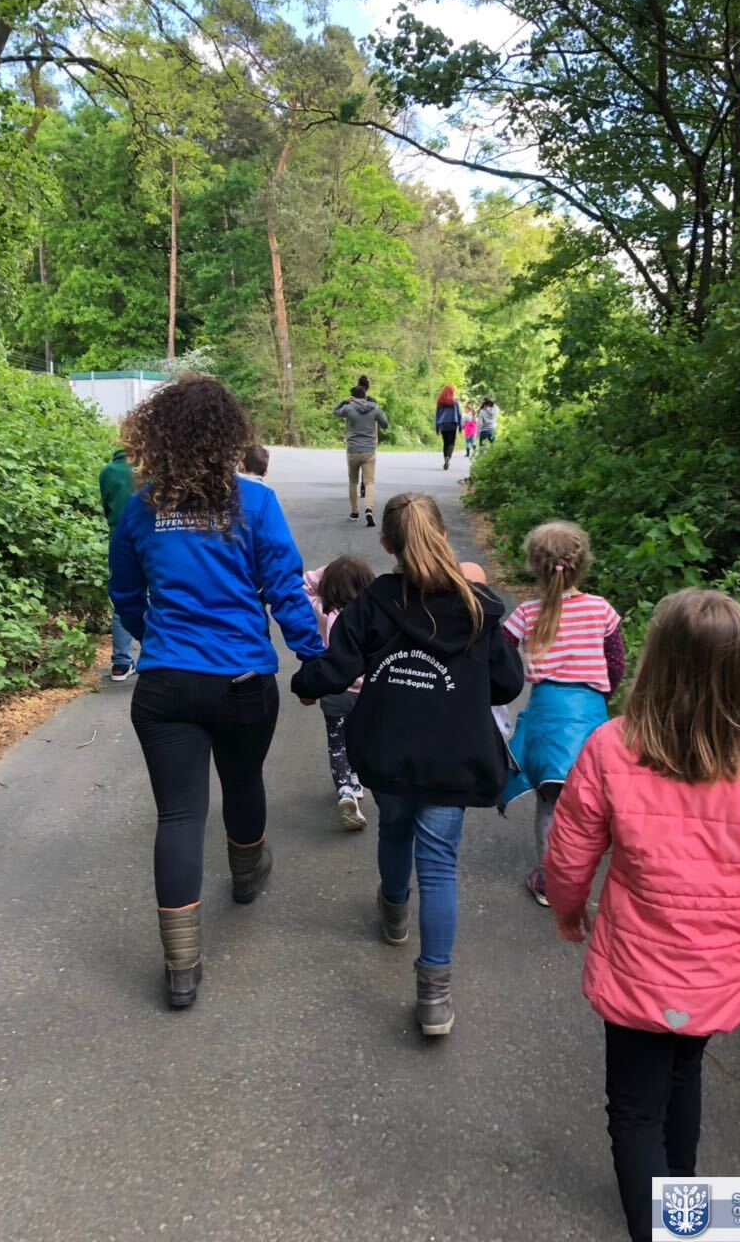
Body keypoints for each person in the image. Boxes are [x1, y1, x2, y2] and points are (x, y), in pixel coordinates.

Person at [544, 588, 740, 1242]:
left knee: (635, 1112)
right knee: (684, 1072)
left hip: (638, 967)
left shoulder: (613, 746)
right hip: (716, 968)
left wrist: (569, 910)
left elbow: (570, 851)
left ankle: (664, 1224)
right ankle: (681, 1206)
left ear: (656, 662)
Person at [110, 374, 324, 1010]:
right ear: (229, 434)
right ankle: (246, 875)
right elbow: (285, 588)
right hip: (241, 681)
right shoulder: (254, 502)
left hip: (165, 686)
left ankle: (181, 967)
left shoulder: (141, 509)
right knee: (243, 779)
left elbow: (126, 594)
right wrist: (314, 660)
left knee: (178, 815)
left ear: (159, 435)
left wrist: (157, 642)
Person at [292, 493, 524, 1036]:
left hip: (388, 748)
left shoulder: (375, 600)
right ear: (442, 534)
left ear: (386, 543)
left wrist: (304, 683)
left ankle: (394, 912)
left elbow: (337, 666)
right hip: (454, 757)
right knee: (439, 865)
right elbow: (508, 683)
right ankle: (434, 997)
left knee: (394, 830)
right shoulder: (477, 605)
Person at [501, 522, 624, 906]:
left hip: (546, 720)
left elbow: (499, 656)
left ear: (534, 567)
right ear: (581, 564)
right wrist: (601, 697)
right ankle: (585, 870)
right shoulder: (601, 610)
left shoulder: (525, 614)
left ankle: (550, 881)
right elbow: (616, 664)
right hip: (590, 718)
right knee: (590, 800)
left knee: (550, 800)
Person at [303, 556, 376, 830]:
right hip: (367, 693)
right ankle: (356, 778)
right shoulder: (373, 614)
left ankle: (345, 789)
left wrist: (325, 572)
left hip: (334, 690)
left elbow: (300, 586)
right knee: (360, 736)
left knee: (337, 743)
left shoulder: (322, 610)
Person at [99, 445, 138, 680]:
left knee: (123, 597)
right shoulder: (151, 469)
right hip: (149, 539)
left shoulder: (108, 471)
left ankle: (121, 663)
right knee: (157, 596)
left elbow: (107, 507)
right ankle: (155, 658)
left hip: (119, 540)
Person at [334, 375, 388, 527]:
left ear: (353, 397)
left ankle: (354, 512)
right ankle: (369, 509)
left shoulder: (348, 408)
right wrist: (378, 415)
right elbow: (385, 424)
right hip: (369, 451)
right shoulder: (374, 408)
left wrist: (344, 402)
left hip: (353, 451)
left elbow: (335, 412)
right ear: (365, 395)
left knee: (353, 481)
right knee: (369, 482)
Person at [434, 385, 463, 470]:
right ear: (452, 392)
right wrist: (460, 426)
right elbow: (459, 414)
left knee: (445, 443)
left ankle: (446, 460)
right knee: (451, 443)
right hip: (452, 423)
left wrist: (436, 428)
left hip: (442, 424)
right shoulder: (456, 401)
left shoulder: (440, 402)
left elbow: (437, 415)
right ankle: (448, 457)